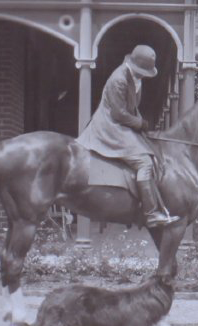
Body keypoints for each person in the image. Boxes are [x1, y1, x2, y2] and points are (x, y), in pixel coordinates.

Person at [77, 45, 179, 228]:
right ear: (135, 66)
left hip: (121, 123)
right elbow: (119, 114)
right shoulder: (119, 79)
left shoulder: (133, 77)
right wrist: (140, 124)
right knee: (144, 162)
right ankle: (151, 213)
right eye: (143, 72)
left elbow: (131, 108)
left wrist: (141, 122)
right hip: (109, 126)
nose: (144, 76)